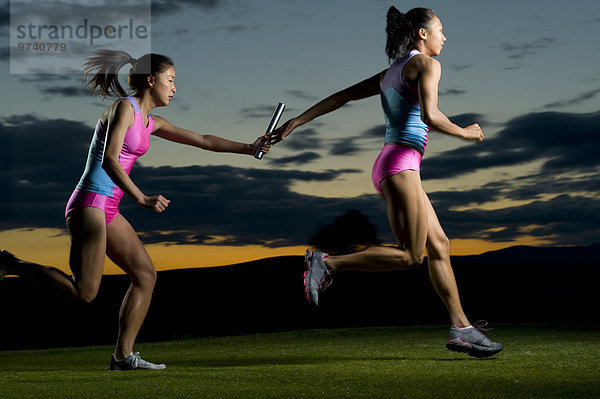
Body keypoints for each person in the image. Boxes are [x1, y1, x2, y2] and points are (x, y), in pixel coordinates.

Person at [0, 50, 271, 369]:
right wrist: (141, 199)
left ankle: (122, 357)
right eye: (170, 80)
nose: (174, 88)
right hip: (90, 203)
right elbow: (110, 159)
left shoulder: (151, 122)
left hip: (108, 208)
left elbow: (202, 139)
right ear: (150, 80)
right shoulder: (123, 109)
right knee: (84, 293)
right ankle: (10, 263)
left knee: (145, 275)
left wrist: (249, 148)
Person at [270, 7, 502, 357]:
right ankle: (326, 263)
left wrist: (297, 122)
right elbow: (430, 114)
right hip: (401, 165)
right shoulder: (426, 65)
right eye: (440, 29)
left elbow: (342, 95)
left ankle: (462, 328)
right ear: (421, 34)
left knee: (440, 245)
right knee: (411, 256)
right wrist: (465, 132)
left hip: (393, 163)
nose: (445, 36)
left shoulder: (392, 71)